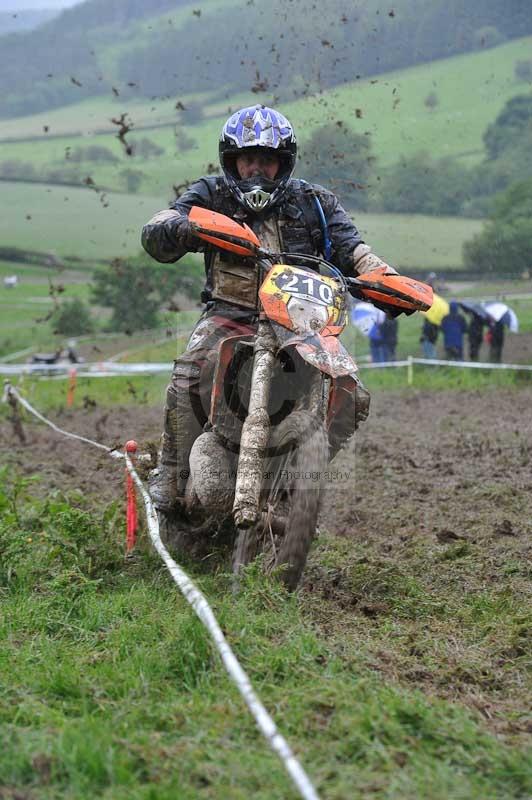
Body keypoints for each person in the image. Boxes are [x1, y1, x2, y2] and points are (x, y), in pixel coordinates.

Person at [142, 105, 395, 511]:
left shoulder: (316, 202)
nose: (256, 170)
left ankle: (302, 475)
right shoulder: (211, 194)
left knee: (352, 393)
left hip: (301, 321)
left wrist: (384, 278)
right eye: (248, 160)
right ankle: (171, 474)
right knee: (189, 373)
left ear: (284, 163)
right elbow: (162, 223)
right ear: (232, 161)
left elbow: (353, 249)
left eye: (267, 160)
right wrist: (179, 227)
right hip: (229, 313)